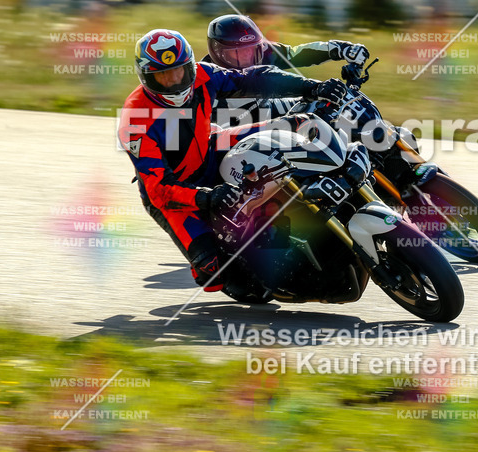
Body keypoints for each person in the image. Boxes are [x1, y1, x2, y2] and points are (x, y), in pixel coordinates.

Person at [117, 28, 347, 295]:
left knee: (289, 127)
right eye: (162, 76)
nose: (173, 81)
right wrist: (206, 197)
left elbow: (254, 78)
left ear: (189, 66)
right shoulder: (135, 119)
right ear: (146, 78)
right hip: (175, 191)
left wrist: (312, 87)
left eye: (179, 71)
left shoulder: (204, 75)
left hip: (211, 145)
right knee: (215, 274)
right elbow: (159, 189)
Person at [203, 14, 369, 125]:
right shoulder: (209, 77)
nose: (247, 57)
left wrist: (340, 49)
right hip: (238, 140)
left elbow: (296, 54)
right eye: (237, 53)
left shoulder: (262, 51)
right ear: (217, 51)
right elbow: (262, 80)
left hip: (271, 119)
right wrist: (313, 87)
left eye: (252, 50)